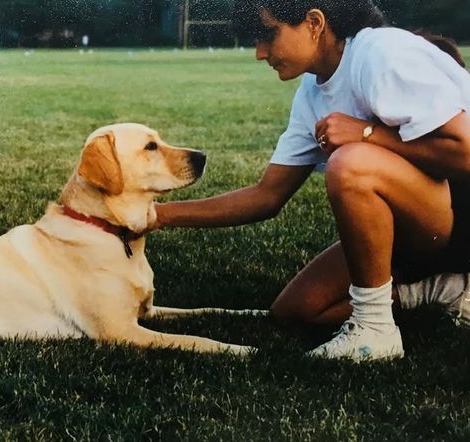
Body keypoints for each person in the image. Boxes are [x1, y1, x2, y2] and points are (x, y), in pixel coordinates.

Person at [152, 0, 470, 361]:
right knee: (299, 309)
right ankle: (444, 290)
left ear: (314, 22)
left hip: (459, 217)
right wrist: (159, 216)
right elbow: (266, 196)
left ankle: (375, 329)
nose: (260, 53)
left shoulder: (381, 53)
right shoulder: (313, 91)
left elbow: (466, 152)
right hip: (420, 228)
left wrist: (367, 134)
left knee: (351, 163)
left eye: (268, 35)